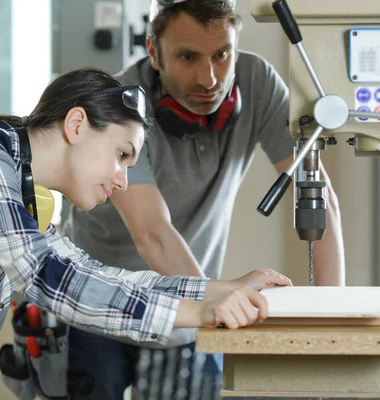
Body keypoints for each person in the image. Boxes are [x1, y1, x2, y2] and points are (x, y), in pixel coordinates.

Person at [0, 67, 293, 400]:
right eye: (122, 155)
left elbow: (100, 276)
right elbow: (45, 277)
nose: (122, 180)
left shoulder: (25, 209)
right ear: (76, 125)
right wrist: (199, 314)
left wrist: (220, 290)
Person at [60, 0, 346, 399]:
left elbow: (320, 198)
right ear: (154, 52)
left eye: (222, 54)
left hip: (187, 298)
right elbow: (153, 233)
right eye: (188, 57)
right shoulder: (120, 103)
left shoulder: (257, 81)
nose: (209, 78)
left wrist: (331, 322)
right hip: (97, 303)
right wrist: (217, 301)